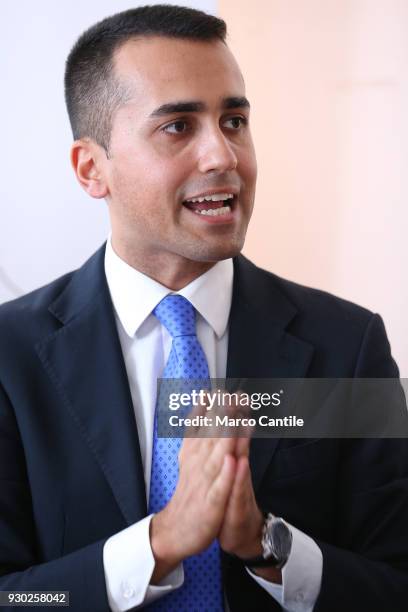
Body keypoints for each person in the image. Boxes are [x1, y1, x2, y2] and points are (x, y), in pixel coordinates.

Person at [0, 5, 407, 612]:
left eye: (234, 120)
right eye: (178, 127)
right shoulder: (11, 357)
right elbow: (20, 599)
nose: (224, 156)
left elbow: (395, 589)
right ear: (92, 168)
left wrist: (269, 545)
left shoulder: (346, 347)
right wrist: (158, 545)